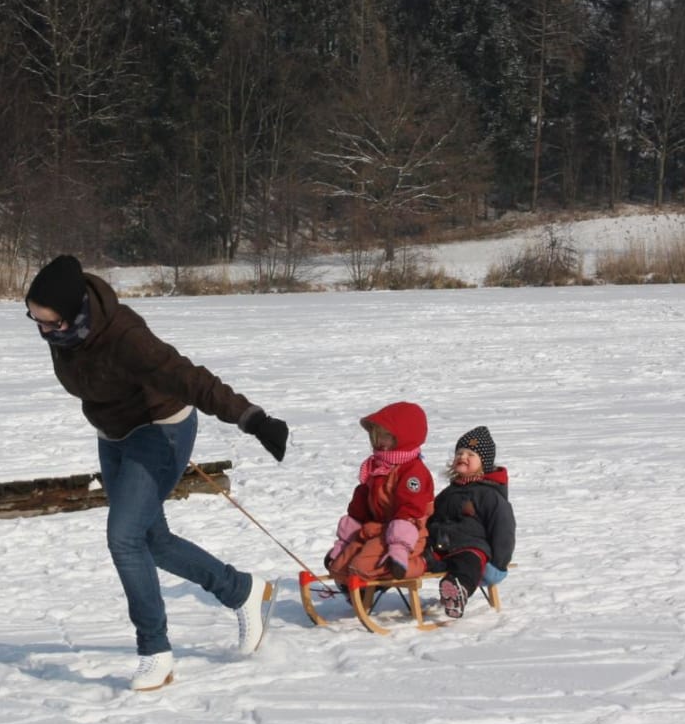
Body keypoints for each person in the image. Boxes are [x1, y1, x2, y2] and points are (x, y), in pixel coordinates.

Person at [25, 254, 289, 691]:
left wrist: (252, 419)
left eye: (49, 322)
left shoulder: (126, 336)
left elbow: (188, 377)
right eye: (34, 320)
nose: (42, 331)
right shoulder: (65, 333)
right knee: (152, 540)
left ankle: (155, 652)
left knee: (124, 537)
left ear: (73, 313)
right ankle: (241, 591)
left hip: (160, 429)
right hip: (113, 435)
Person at [324, 401, 435, 582]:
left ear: (404, 437)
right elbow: (359, 508)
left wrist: (398, 549)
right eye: (377, 436)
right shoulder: (376, 467)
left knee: (361, 568)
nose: (380, 442)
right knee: (339, 570)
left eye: (386, 436)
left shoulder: (413, 471)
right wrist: (344, 543)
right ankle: (357, 591)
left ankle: (423, 562)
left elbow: (409, 512)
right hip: (378, 530)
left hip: (409, 536)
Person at [423, 426, 515, 619]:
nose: (463, 457)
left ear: (484, 463)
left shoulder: (489, 495)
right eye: (459, 453)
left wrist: (498, 564)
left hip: (472, 550)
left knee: (467, 561)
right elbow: (433, 517)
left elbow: (503, 529)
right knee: (415, 554)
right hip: (441, 548)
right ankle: (377, 581)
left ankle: (458, 590)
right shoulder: (449, 493)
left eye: (470, 454)